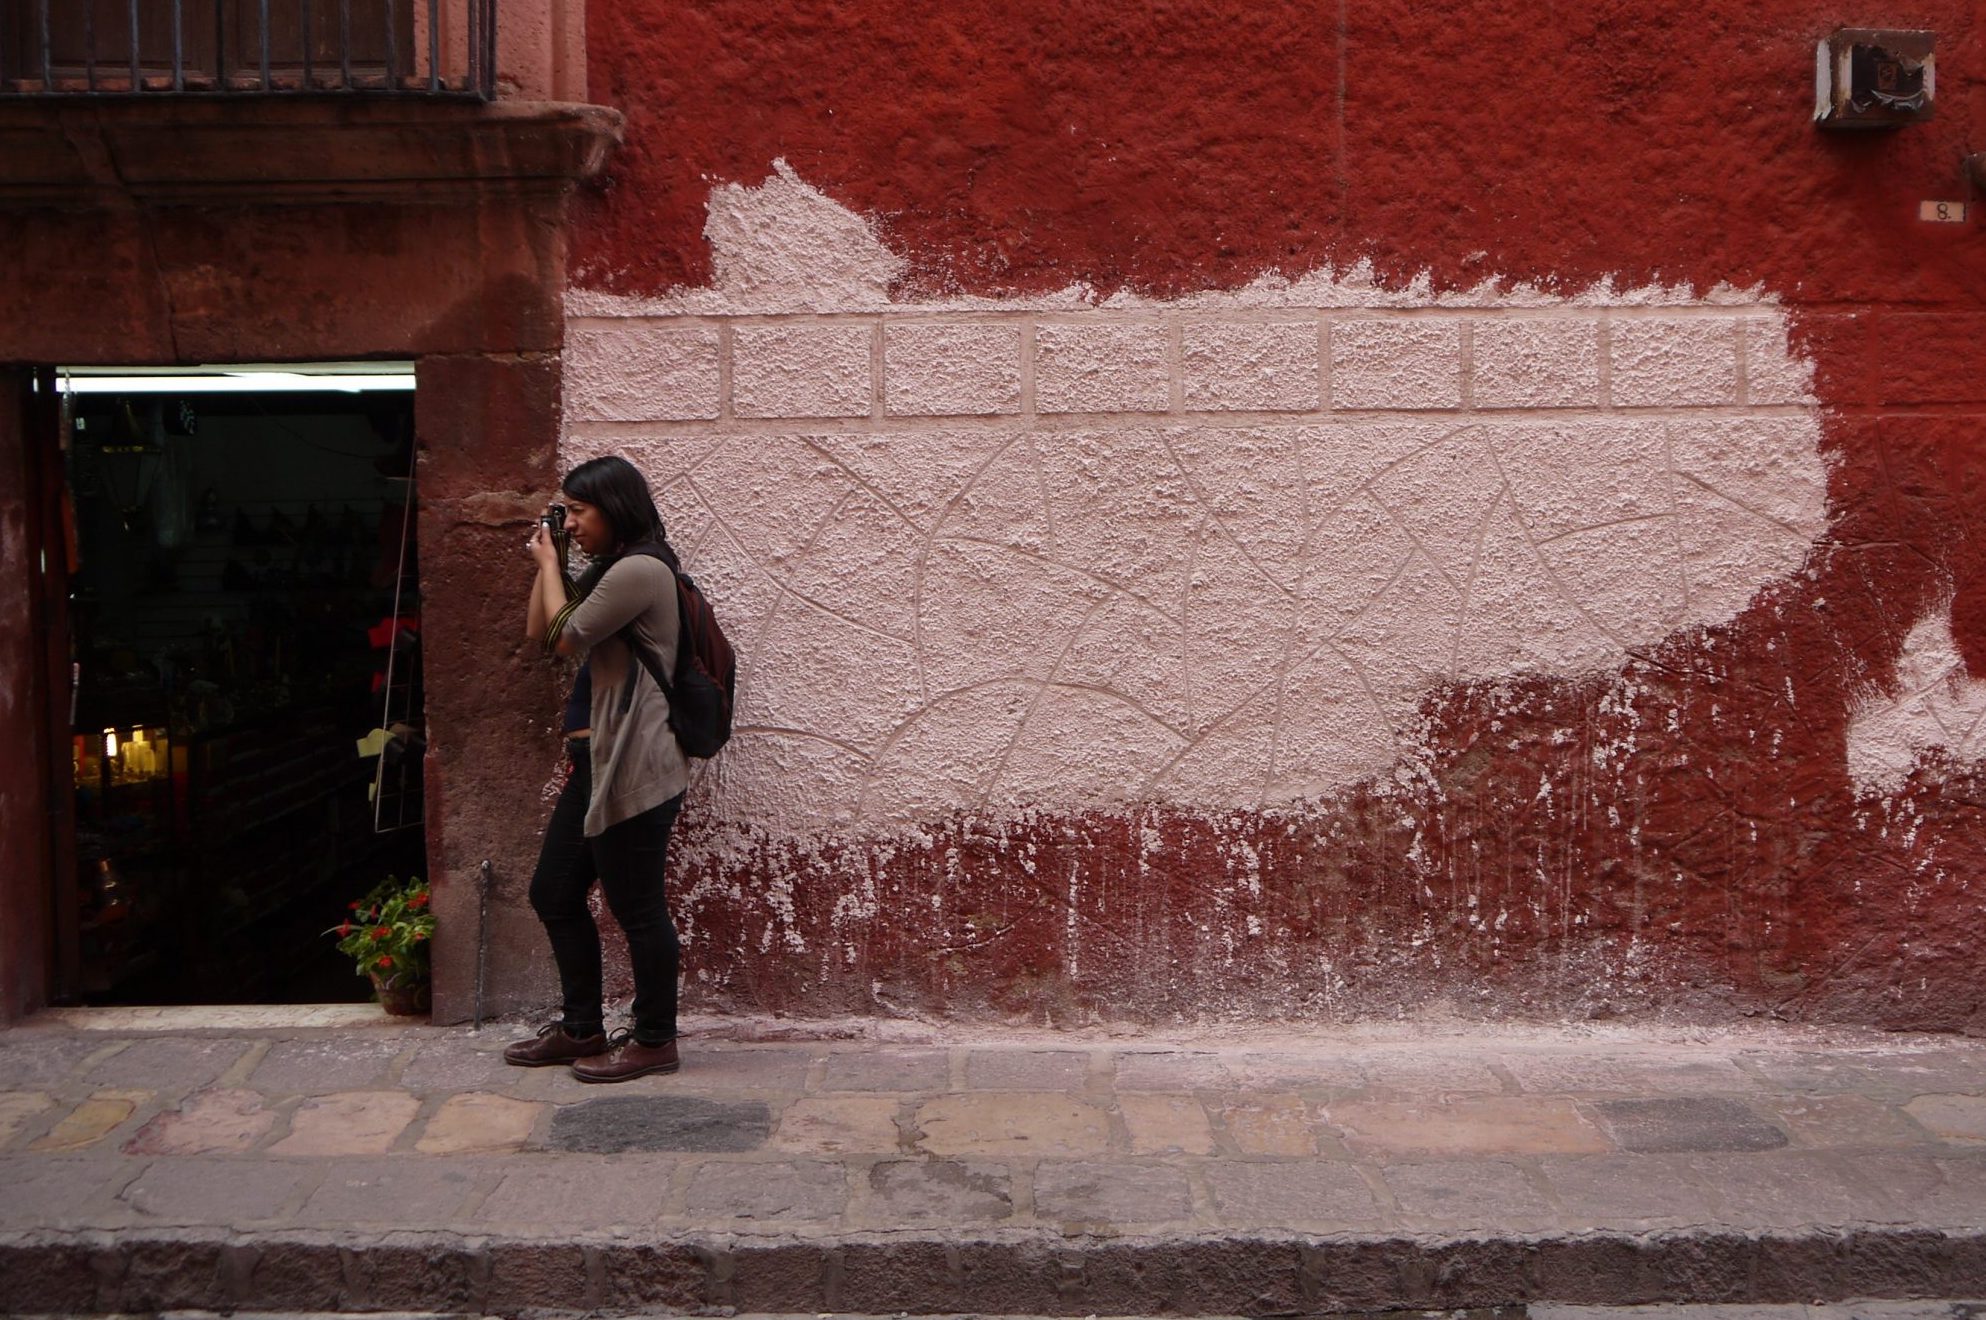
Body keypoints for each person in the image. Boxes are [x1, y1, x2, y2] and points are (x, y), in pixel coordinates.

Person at [504, 455, 690, 1082]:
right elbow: (540, 628)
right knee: (553, 893)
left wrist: (554, 565)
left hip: (634, 765)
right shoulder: (610, 569)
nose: (573, 523)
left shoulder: (640, 569)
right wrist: (551, 558)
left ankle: (656, 1039)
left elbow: (566, 637)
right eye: (567, 513)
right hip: (596, 762)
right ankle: (581, 1028)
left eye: (579, 512)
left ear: (615, 508)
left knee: (637, 907)